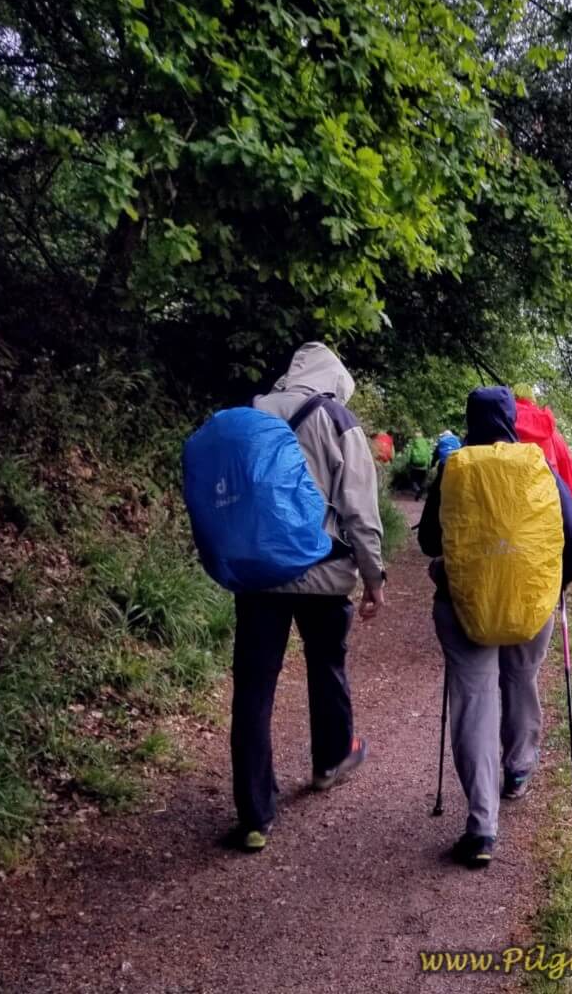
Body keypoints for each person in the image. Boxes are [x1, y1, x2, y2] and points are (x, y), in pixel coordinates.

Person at [417, 387, 572, 869]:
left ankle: (482, 826)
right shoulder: (538, 465)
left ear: (469, 421)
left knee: (474, 699)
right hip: (532, 603)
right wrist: (556, 584)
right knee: (521, 678)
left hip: (466, 604)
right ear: (513, 420)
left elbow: (430, 540)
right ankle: (519, 768)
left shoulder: (455, 467)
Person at [233, 343, 387, 851]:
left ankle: (254, 815)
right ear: (335, 378)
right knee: (326, 667)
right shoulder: (335, 417)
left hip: (259, 575)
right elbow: (359, 508)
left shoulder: (253, 412)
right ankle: (329, 761)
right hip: (324, 574)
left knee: (254, 689)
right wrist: (373, 577)